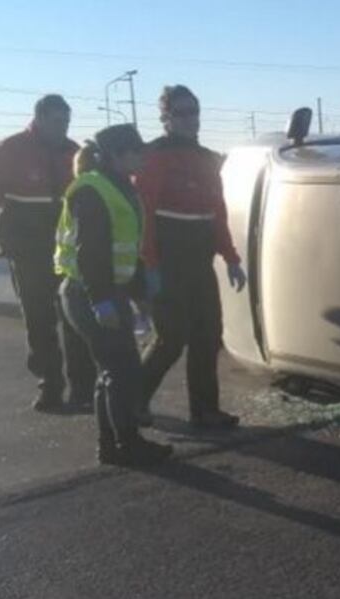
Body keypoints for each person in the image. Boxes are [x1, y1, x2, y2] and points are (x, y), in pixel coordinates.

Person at [0, 94, 96, 412]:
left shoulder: (74, 153)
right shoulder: (6, 151)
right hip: (27, 250)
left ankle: (83, 388)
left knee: (74, 317)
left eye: (66, 122)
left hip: (66, 250)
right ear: (38, 118)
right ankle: (50, 386)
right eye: (57, 121)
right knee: (39, 319)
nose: (63, 128)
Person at [55, 124, 173, 466]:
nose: (144, 158)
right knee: (121, 371)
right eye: (137, 152)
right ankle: (126, 444)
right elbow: (91, 253)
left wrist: (138, 295)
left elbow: (126, 251)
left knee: (114, 370)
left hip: (104, 291)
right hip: (88, 293)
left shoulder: (121, 188)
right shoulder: (92, 191)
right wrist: (102, 301)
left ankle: (112, 445)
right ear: (117, 156)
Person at [134, 85, 247, 429]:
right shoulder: (153, 156)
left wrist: (230, 257)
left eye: (194, 111)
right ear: (166, 118)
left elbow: (218, 211)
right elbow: (144, 214)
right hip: (168, 259)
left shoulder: (205, 157)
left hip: (199, 260)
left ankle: (205, 410)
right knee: (170, 338)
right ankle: (130, 401)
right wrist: (150, 264)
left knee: (208, 335)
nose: (190, 120)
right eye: (181, 113)